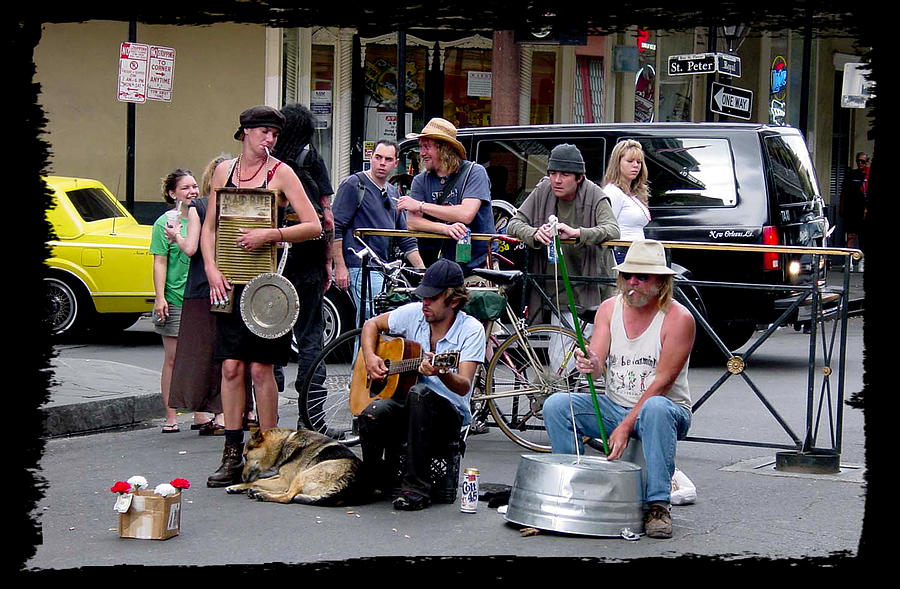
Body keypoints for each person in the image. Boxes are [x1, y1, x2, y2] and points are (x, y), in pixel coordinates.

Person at [201, 105, 322, 487]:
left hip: (265, 287)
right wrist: (211, 268)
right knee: (231, 367)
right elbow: (209, 228)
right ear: (245, 133)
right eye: (264, 132)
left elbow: (313, 224)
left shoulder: (281, 173)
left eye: (274, 133)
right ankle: (232, 454)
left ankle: (267, 454)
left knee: (260, 368)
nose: (270, 139)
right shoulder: (225, 171)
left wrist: (272, 235)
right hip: (228, 281)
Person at [542, 239, 695, 539]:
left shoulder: (679, 319)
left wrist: (625, 426)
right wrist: (590, 361)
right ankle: (572, 485)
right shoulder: (610, 309)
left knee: (654, 409)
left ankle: (658, 505)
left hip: (665, 408)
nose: (632, 283)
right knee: (557, 405)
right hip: (616, 404)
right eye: (627, 276)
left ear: (661, 282)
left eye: (642, 277)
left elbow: (662, 383)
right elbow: (598, 363)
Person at [357, 259, 486, 510]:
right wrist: (371, 358)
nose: (425, 304)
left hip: (448, 416)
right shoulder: (414, 313)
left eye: (432, 298)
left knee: (420, 393)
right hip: (410, 410)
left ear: (453, 300)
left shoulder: (471, 330)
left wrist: (442, 373)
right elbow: (371, 324)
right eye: (423, 297)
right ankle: (374, 478)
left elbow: (463, 386)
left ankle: (416, 487)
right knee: (374, 412)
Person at [166, 155, 253, 436]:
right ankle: (240, 411)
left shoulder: (199, 207)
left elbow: (191, 249)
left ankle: (218, 416)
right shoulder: (243, 205)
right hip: (235, 284)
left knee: (204, 354)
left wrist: (175, 236)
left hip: (203, 287)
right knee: (232, 353)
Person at [506, 143, 619, 344]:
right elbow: (513, 224)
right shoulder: (543, 189)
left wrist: (578, 233)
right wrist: (534, 233)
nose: (557, 180)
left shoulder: (594, 194)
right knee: (560, 358)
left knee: (593, 354)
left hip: (591, 286)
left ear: (579, 177)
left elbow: (612, 229)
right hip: (555, 287)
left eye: (565, 175)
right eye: (553, 173)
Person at [269, 102, 335, 409]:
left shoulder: (267, 164)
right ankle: (311, 411)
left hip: (272, 258)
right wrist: (328, 261)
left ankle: (265, 400)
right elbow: (328, 219)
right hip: (308, 257)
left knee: (270, 328)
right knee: (310, 335)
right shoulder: (312, 160)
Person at [332, 139, 424, 318]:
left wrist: (422, 270)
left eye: (388, 159)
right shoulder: (354, 184)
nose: (382, 163)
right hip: (359, 267)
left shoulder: (393, 191)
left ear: (396, 163)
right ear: (371, 157)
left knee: (381, 322)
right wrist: (340, 267)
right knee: (372, 321)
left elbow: (404, 237)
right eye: (378, 157)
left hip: (384, 270)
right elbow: (335, 227)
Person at [396, 118, 495, 276]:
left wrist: (421, 206)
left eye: (427, 147)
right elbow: (412, 222)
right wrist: (446, 229)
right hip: (439, 266)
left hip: (478, 265)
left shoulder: (474, 172)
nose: (421, 153)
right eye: (421, 147)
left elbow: (466, 214)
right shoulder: (421, 180)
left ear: (445, 148)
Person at [149, 168, 199, 433]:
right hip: (175, 297)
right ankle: (171, 416)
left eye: (194, 186)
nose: (192, 191)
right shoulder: (163, 223)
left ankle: (201, 414)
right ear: (172, 193)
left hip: (200, 295)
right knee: (173, 358)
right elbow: (159, 260)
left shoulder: (202, 217)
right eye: (185, 188)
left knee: (200, 357)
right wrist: (160, 297)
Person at [603, 139, 651, 265]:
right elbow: (606, 228)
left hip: (637, 253)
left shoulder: (634, 193)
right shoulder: (613, 192)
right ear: (617, 163)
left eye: (639, 162)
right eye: (630, 161)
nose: (636, 165)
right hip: (622, 254)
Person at [840, 151, 868, 269]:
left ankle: (862, 262)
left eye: (862, 161)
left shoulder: (869, 175)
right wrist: (843, 209)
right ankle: (849, 262)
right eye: (858, 161)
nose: (860, 164)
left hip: (865, 210)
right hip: (852, 210)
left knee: (864, 237)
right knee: (851, 236)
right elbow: (844, 193)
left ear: (866, 162)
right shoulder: (851, 175)